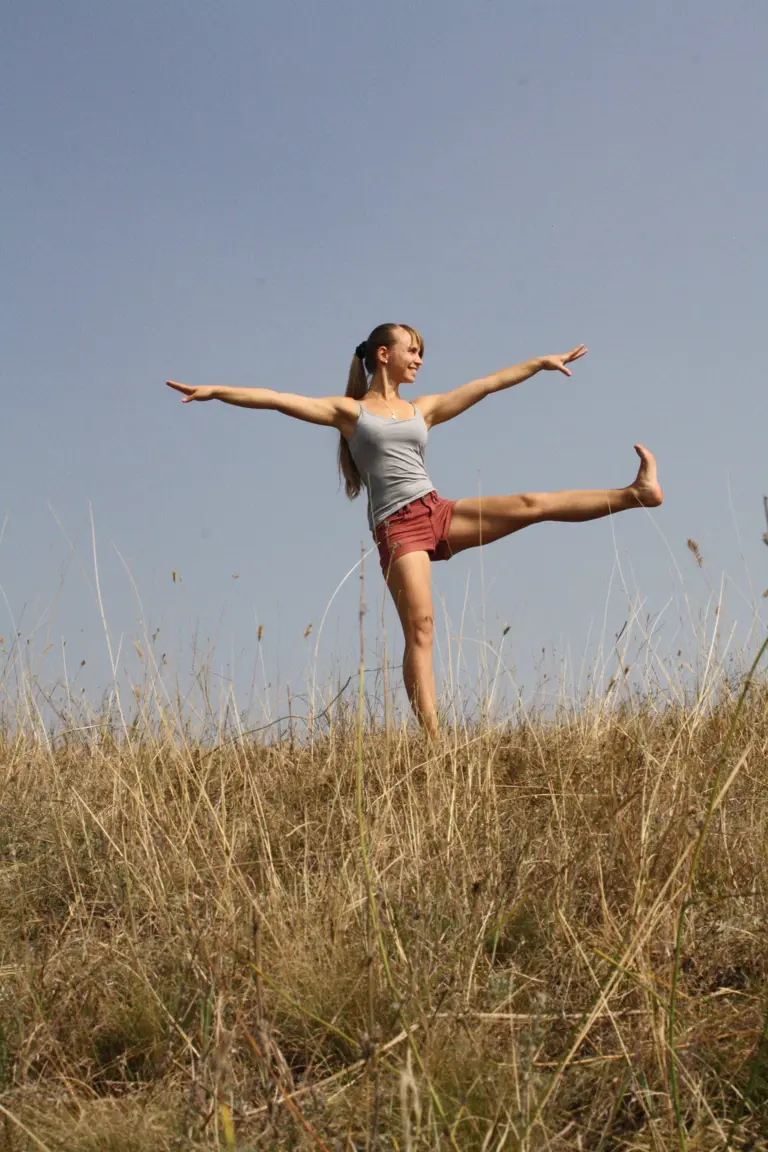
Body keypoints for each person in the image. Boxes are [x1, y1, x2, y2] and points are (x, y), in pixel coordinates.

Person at [167, 323, 662, 737]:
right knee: (421, 628)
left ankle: (636, 494)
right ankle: (435, 742)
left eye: (422, 353)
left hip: (436, 509)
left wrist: (538, 362)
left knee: (534, 504)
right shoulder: (350, 413)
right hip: (398, 528)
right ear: (384, 355)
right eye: (413, 350)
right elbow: (277, 399)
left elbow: (485, 384)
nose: (419, 359)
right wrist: (214, 392)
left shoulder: (421, 409)